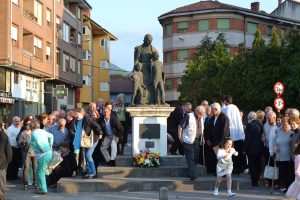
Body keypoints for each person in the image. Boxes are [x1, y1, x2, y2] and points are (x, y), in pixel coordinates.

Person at [73, 108, 102, 179]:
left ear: (81, 113)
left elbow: (96, 125)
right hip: (86, 141)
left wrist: (100, 133)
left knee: (88, 155)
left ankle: (93, 172)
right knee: (86, 155)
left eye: (77, 114)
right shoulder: (80, 120)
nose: (76, 116)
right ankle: (89, 172)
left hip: (93, 140)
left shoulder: (87, 118)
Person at [221, 95, 246, 174]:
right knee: (238, 152)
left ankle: (234, 169)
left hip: (232, 134)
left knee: (232, 152)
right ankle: (240, 168)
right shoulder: (235, 107)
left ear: (225, 101)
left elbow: (226, 119)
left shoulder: (227, 108)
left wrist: (222, 106)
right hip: (238, 133)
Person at [30, 120, 53, 195]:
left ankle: (44, 189)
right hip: (47, 153)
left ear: (32, 127)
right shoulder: (43, 131)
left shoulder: (34, 133)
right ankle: (40, 188)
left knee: (40, 172)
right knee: (39, 171)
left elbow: (38, 140)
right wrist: (50, 145)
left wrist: (41, 148)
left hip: (43, 154)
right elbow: (51, 136)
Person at [134, 34, 158, 104]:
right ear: (144, 40)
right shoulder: (139, 48)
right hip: (141, 69)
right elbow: (136, 61)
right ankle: (141, 101)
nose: (148, 42)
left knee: (150, 86)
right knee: (141, 86)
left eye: (150, 41)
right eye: (147, 40)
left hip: (150, 69)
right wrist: (136, 69)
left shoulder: (153, 49)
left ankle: (151, 101)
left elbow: (156, 59)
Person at [178, 103, 198, 180]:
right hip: (188, 140)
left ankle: (191, 172)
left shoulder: (201, 117)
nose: (201, 115)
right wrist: (179, 136)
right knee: (190, 158)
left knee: (195, 158)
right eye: (200, 114)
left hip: (197, 140)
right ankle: (193, 174)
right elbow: (180, 126)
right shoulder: (189, 116)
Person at [243, 112, 264, 186]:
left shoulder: (249, 125)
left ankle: (254, 180)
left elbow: (247, 138)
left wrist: (244, 149)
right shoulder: (260, 124)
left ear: (249, 118)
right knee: (258, 165)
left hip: (251, 149)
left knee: (252, 165)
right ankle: (257, 179)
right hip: (260, 148)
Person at [274, 117, 293, 192]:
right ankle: (284, 186)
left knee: (289, 173)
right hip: (280, 156)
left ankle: (288, 187)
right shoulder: (279, 132)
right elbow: (275, 142)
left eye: (286, 125)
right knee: (282, 173)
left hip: (289, 156)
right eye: (283, 124)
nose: (284, 126)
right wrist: (275, 148)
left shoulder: (292, 133)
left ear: (290, 125)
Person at [18, 120, 37, 190]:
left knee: (35, 168)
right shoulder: (23, 133)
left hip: (35, 153)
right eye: (26, 124)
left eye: (29, 124)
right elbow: (19, 142)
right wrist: (22, 142)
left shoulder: (34, 132)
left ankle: (36, 183)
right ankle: (25, 184)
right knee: (26, 168)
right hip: (27, 153)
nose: (28, 126)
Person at [263, 111, 277, 185]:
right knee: (267, 164)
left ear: (274, 118)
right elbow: (264, 134)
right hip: (267, 147)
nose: (268, 120)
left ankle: (275, 181)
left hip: (275, 149)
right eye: (267, 118)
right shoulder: (265, 125)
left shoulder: (277, 126)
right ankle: (269, 181)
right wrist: (263, 137)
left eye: (269, 118)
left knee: (274, 165)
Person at [0, 121, 12, 200]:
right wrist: (6, 163)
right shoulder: (3, 136)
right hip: (1, 164)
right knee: (1, 185)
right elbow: (9, 152)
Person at [6, 116, 21, 180]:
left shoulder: (19, 128)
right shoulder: (10, 129)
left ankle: (15, 175)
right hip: (12, 147)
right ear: (13, 121)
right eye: (16, 121)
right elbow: (8, 138)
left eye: (18, 121)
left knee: (17, 162)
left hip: (18, 147)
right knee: (11, 162)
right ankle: (9, 175)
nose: (17, 122)